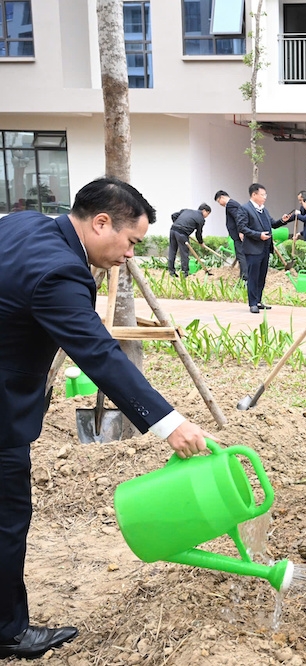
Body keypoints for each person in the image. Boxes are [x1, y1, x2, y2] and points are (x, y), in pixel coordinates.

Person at [0, 177, 211, 659]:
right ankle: (7, 630)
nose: (131, 255)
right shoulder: (59, 271)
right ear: (101, 223)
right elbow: (99, 354)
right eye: (131, 241)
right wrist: (169, 423)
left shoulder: (25, 225)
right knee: (7, 518)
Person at [239, 183, 289, 314]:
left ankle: (259, 301)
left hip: (265, 248)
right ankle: (252, 303)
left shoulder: (263, 210)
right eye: (262, 194)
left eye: (265, 194)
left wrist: (282, 221)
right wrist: (258, 235)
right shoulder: (245, 209)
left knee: (261, 276)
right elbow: (242, 228)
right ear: (254, 194)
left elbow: (272, 224)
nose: (265, 197)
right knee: (253, 276)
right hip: (253, 248)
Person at [166, 203, 210, 276]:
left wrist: (178, 225)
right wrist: (201, 242)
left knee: (172, 251)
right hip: (182, 233)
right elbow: (198, 233)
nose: (207, 216)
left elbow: (173, 215)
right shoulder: (201, 219)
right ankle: (185, 273)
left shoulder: (186, 210)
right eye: (208, 214)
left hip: (173, 230)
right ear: (204, 211)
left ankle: (171, 272)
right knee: (184, 253)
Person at [214, 190, 249, 281]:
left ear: (222, 197)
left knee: (241, 255)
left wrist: (241, 231)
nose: (220, 204)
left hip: (238, 235)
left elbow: (238, 218)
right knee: (240, 255)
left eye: (218, 201)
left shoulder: (230, 204)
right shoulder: (233, 204)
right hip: (237, 235)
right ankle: (243, 276)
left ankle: (245, 278)